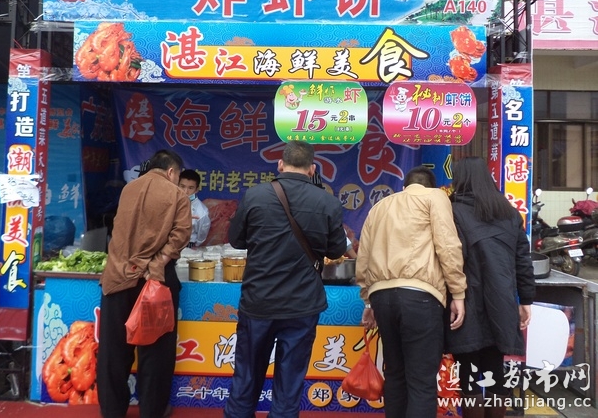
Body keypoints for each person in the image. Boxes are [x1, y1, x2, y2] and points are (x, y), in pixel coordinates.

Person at [224, 141, 347, 418]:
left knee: (246, 373)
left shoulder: (255, 196)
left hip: (259, 300)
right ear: (312, 169)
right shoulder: (327, 202)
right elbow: (336, 250)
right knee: (290, 380)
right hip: (302, 304)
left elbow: (236, 240)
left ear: (280, 164)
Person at [355, 165, 467, 418]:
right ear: (432, 187)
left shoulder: (380, 206)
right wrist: (458, 292)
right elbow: (448, 246)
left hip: (381, 297)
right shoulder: (435, 197)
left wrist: (368, 301)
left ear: (404, 187)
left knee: (395, 373)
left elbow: (364, 257)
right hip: (421, 296)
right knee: (421, 380)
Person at [97, 149, 192, 418]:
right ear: (171, 172)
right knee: (156, 351)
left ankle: (112, 410)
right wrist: (158, 263)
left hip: (117, 278)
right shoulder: (177, 195)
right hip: (154, 281)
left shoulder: (129, 189)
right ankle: (152, 409)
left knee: (114, 349)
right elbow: (180, 236)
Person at [446, 157, 535, 418]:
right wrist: (525, 300)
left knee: (469, 373)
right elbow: (523, 260)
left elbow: (449, 258)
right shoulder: (509, 212)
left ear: (460, 180)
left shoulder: (452, 211)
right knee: (495, 370)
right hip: (502, 300)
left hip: (465, 301)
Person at [178, 169, 211, 248]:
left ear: (197, 189)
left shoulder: (202, 211)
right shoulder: (170, 202)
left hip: (188, 246)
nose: (185, 191)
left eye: (190, 188)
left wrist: (194, 245)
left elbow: (201, 235)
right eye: (182, 186)